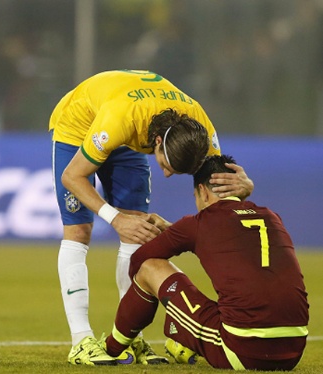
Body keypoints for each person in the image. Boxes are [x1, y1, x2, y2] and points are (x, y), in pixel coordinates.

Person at [49, 69, 254, 366]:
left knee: (139, 229)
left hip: (128, 134)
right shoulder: (121, 118)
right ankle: (81, 341)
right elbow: (72, 177)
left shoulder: (200, 128)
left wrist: (245, 188)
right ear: (157, 142)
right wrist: (115, 218)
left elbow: (219, 203)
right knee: (79, 230)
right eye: (165, 164)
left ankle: (130, 339)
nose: (167, 174)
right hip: (81, 125)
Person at [102, 155, 309, 370]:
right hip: (293, 350)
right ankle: (182, 338)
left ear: (203, 190)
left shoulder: (199, 223)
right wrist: (175, 232)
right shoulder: (272, 216)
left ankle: (111, 348)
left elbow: (139, 260)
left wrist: (154, 299)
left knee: (149, 268)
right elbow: (226, 236)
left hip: (242, 350)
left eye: (195, 196)